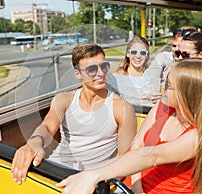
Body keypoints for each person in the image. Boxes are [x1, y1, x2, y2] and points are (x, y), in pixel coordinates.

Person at [56, 58, 202, 194]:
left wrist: (96, 175)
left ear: (188, 95)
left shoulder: (196, 137)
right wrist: (88, 174)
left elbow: (153, 156)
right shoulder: (163, 108)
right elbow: (137, 148)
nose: (162, 88)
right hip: (134, 183)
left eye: (169, 86)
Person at [11, 43, 137, 184]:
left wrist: (95, 179)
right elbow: (47, 127)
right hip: (56, 170)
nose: (101, 73)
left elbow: (126, 160)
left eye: (104, 66)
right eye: (91, 69)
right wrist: (34, 142)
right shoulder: (64, 100)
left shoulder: (122, 108)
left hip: (92, 179)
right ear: (78, 74)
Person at [107, 36, 155, 106]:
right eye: (134, 52)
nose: (138, 56)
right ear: (127, 54)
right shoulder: (116, 77)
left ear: (147, 55)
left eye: (142, 53)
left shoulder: (152, 77)